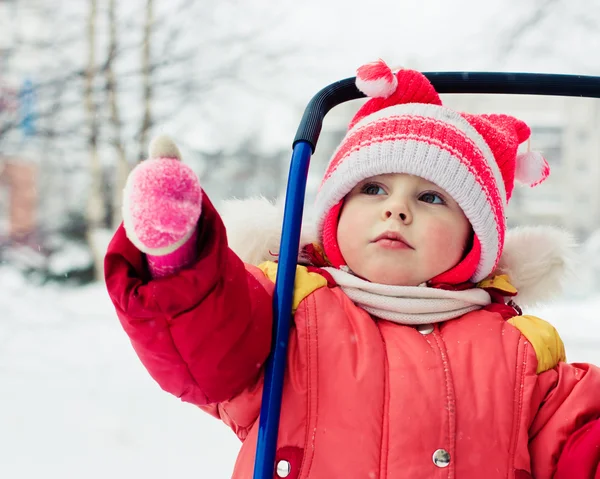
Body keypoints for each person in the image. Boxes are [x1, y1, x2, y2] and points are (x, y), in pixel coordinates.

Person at [104, 60, 600, 479]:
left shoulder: (521, 351)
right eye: (373, 189)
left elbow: (579, 440)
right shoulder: (287, 309)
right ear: (333, 214)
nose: (397, 210)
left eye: (430, 198)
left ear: (475, 243)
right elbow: (207, 337)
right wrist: (177, 256)